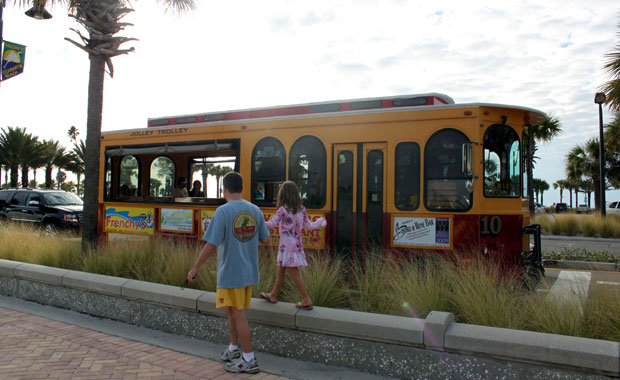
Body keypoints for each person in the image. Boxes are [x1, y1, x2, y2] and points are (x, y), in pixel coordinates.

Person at [187, 171, 271, 374]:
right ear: (242, 188)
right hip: (248, 272)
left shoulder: (223, 212)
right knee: (231, 311)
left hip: (231, 273)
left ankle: (249, 359)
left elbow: (210, 245)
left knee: (237, 313)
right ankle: (234, 349)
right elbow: (266, 240)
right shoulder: (255, 210)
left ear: (224, 189)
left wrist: (195, 268)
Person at [259, 181, 326, 310]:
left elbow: (271, 225)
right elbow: (309, 226)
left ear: (283, 194)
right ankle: (273, 295)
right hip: (295, 246)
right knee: (281, 272)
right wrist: (320, 222)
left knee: (295, 274)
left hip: (287, 248)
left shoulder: (282, 210)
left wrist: (258, 219)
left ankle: (306, 299)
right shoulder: (302, 209)